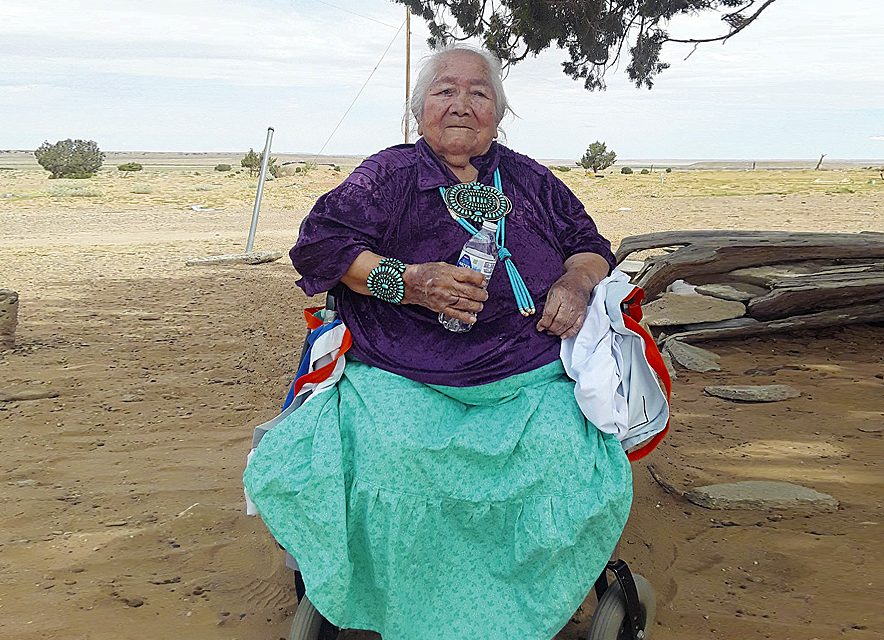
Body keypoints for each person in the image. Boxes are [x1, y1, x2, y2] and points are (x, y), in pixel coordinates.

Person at [244, 45, 632, 640]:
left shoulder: (528, 179)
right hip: (400, 371)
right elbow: (320, 246)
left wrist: (577, 283)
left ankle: (519, 603)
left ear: (499, 112)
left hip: (524, 375)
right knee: (394, 460)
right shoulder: (387, 176)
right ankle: (403, 605)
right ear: (419, 108)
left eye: (478, 92)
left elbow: (589, 243)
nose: (461, 104)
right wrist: (407, 281)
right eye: (444, 90)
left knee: (565, 450)